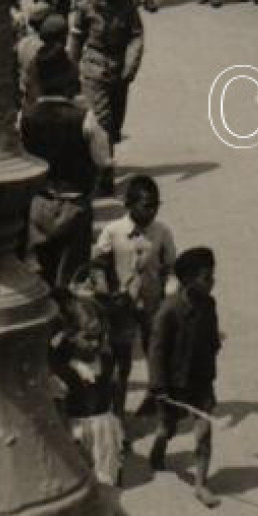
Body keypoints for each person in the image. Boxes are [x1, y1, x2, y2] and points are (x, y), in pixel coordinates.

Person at [23, 47, 111, 287]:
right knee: (74, 280)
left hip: (38, 205)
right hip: (75, 205)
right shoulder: (85, 118)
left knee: (43, 278)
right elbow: (104, 160)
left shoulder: (24, 118)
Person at [93, 174, 178, 408]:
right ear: (129, 205)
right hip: (122, 306)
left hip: (152, 303)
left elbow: (170, 267)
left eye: (155, 206)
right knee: (122, 361)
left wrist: (171, 291)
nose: (152, 212)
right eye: (146, 206)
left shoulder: (162, 232)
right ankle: (118, 409)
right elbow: (98, 264)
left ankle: (156, 398)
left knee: (156, 351)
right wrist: (101, 287)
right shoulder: (113, 231)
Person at [147, 247, 224, 508]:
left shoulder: (210, 304)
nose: (212, 281)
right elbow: (156, 350)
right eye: (206, 277)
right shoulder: (169, 311)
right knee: (168, 427)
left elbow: (213, 335)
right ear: (188, 280)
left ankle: (201, 484)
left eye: (213, 275)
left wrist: (212, 354)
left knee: (204, 433)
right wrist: (158, 385)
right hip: (174, 384)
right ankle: (159, 445)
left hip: (201, 380)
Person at [68, 0, 144, 150]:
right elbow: (76, 39)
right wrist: (71, 71)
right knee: (102, 119)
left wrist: (130, 65)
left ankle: (105, 155)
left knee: (116, 121)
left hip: (119, 68)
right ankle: (104, 168)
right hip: (95, 66)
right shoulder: (86, 6)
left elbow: (136, 36)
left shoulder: (127, 5)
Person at [51, 294, 125, 486]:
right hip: (78, 433)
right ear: (71, 336)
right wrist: (67, 436)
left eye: (99, 337)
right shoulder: (64, 370)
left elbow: (115, 394)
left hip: (105, 430)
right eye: (88, 338)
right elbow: (60, 410)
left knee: (109, 478)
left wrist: (118, 426)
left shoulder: (107, 362)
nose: (96, 344)